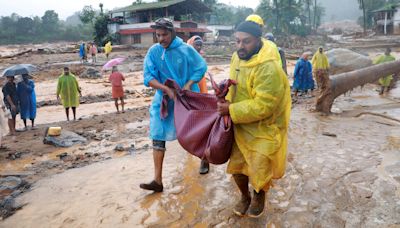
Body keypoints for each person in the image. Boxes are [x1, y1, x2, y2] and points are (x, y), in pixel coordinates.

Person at [217, 21, 291, 218]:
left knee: (260, 167)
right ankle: (244, 196)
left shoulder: (269, 68)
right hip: (239, 124)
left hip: (264, 127)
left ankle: (258, 196)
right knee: (237, 166)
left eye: (246, 41)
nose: (241, 46)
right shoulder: (236, 58)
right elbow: (236, 85)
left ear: (259, 40)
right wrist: (224, 88)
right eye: (237, 41)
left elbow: (265, 105)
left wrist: (231, 109)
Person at [140, 18, 207, 192]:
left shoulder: (186, 50)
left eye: (164, 35)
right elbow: (148, 76)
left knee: (194, 131)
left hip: (187, 98)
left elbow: (200, 67)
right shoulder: (154, 52)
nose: (161, 39)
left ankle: (204, 157)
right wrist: (165, 89)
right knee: (157, 133)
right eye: (158, 35)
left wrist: (186, 85)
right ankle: (157, 180)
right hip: (164, 99)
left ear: (173, 33)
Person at [187, 35, 209, 174]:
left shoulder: (200, 59)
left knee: (202, 129)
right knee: (190, 129)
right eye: (196, 45)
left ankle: (204, 159)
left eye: (200, 45)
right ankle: (191, 156)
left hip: (201, 95)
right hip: (189, 96)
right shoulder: (185, 58)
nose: (198, 47)